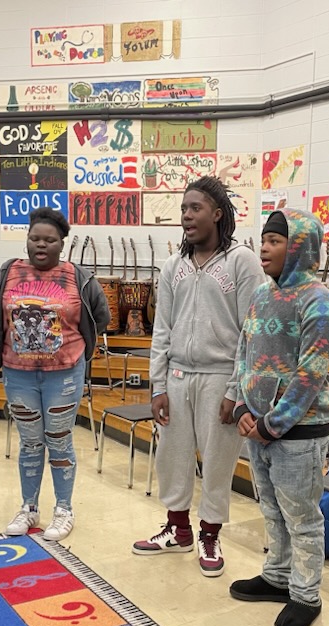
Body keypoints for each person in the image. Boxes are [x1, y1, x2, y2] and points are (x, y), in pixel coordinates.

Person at [132, 176, 264, 576]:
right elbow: (162, 329)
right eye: (184, 209)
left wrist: (235, 389)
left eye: (195, 208)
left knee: (219, 461)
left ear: (217, 214)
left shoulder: (242, 261)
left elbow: (251, 330)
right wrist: (158, 385)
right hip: (176, 375)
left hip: (220, 375)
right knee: (172, 456)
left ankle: (209, 533)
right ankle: (178, 530)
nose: (187, 216)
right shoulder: (172, 266)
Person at [227, 209, 329, 626]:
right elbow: (243, 353)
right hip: (256, 426)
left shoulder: (319, 301)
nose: (265, 248)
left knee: (302, 517)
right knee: (271, 509)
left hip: (298, 432)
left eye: (276, 240)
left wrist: (272, 424)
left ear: (300, 247)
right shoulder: (261, 294)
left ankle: (305, 595)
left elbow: (312, 374)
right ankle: (277, 575)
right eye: (264, 240)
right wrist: (241, 407)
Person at [0, 207, 109, 542]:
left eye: (49, 240)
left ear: (62, 243)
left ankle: (64, 510)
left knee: (58, 439)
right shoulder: (8, 273)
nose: (41, 245)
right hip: (18, 373)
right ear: (26, 239)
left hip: (64, 374)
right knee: (29, 441)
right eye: (34, 238)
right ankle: (29, 508)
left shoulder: (78, 276)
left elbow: (101, 315)